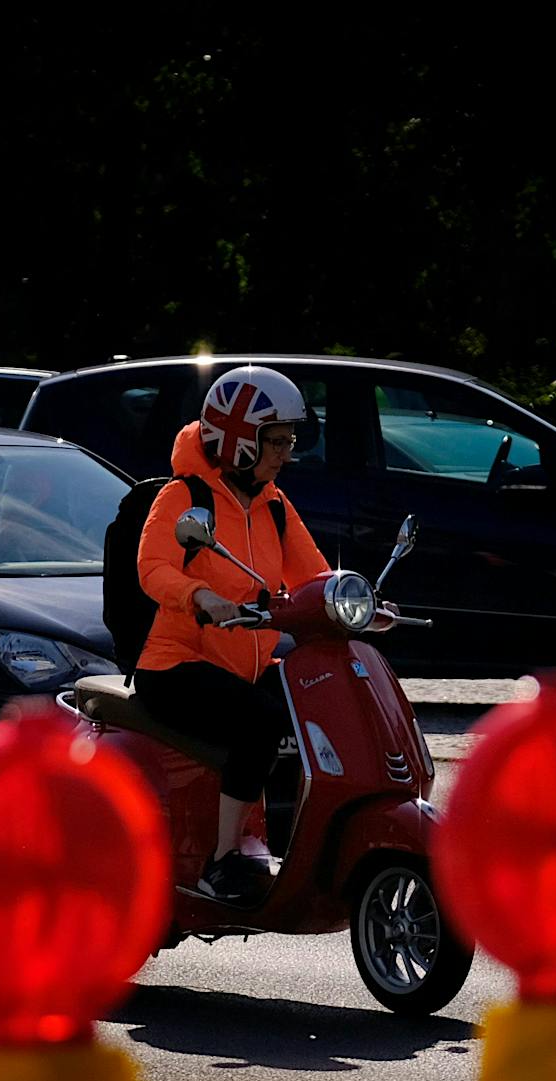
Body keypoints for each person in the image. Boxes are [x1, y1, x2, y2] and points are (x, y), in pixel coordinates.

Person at [134, 364, 330, 902]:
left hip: (243, 665)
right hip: (176, 665)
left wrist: (356, 602)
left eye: (290, 441)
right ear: (240, 441)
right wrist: (200, 596)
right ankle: (222, 861)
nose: (285, 453)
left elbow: (313, 577)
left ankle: (291, 842)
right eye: (276, 441)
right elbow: (152, 567)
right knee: (260, 719)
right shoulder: (184, 498)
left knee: (318, 701)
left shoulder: (274, 505)